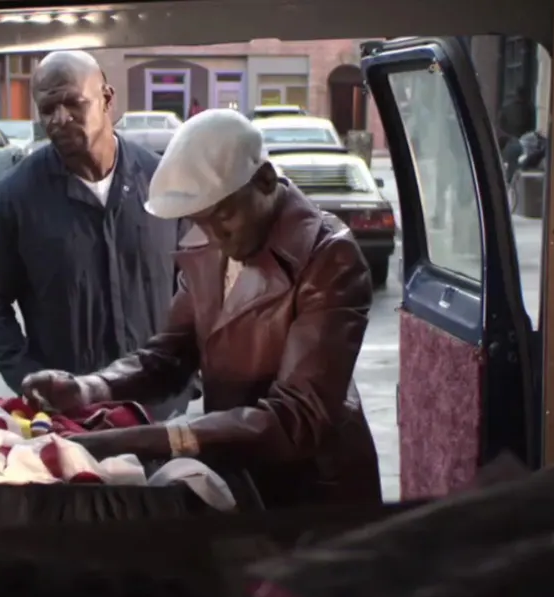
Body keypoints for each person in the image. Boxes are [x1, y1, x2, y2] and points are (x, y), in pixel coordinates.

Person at [21, 109, 383, 510]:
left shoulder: (329, 257)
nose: (215, 237)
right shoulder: (210, 242)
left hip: (316, 490)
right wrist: (88, 389)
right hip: (242, 470)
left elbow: (298, 417)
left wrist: (161, 438)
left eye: (224, 217)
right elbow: (168, 357)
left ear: (265, 180)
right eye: (200, 221)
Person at [0, 50, 192, 421]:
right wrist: (28, 376)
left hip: (162, 411)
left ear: (107, 99)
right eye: (47, 109)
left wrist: (191, 373)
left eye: (73, 103)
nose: (60, 119)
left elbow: (201, 285)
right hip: (71, 418)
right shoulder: (11, 200)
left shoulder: (163, 182)